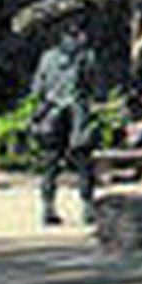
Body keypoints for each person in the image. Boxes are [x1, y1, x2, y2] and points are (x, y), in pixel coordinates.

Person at [27, 23, 100, 226]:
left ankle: (48, 208)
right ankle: (87, 207)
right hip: (76, 115)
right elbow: (92, 86)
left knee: (50, 164)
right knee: (83, 162)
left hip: (51, 114)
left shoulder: (47, 57)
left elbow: (37, 88)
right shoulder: (87, 56)